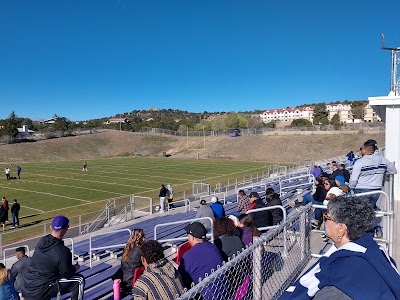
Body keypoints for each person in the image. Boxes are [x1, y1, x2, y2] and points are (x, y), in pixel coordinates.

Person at [281, 196, 400, 299]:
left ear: (341, 228)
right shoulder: (376, 251)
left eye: (327, 217)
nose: (324, 220)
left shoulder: (337, 273)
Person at [21, 215, 85, 300]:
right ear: (67, 228)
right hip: (40, 291)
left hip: (26, 286)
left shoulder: (42, 241)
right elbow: (67, 274)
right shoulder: (63, 252)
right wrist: (75, 268)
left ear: (51, 227)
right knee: (79, 280)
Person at [349, 139, 397, 238]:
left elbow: (353, 180)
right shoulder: (382, 160)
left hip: (362, 190)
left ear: (366, 150)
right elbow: (393, 170)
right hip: (377, 190)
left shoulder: (360, 162)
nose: (361, 150)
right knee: (370, 209)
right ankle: (376, 230)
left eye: (361, 149)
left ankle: (371, 232)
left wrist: (351, 188)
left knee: (363, 213)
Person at [178, 222, 223, 289]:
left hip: (204, 293)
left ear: (192, 238)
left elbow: (180, 278)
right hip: (221, 288)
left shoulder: (187, 256)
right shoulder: (213, 247)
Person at [112, 228, 145, 293]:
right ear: (140, 237)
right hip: (131, 282)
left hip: (123, 280)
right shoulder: (140, 250)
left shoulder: (127, 248)